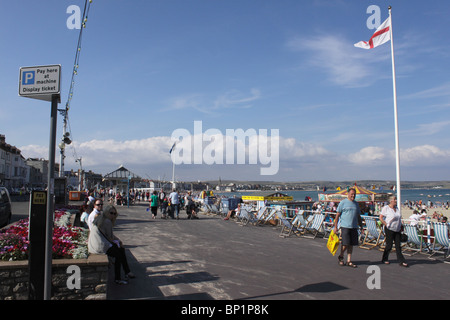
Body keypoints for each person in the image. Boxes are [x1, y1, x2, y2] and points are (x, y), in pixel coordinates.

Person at [88, 204, 135, 284]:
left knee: (121, 250)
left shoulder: (100, 218)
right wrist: (119, 241)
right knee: (119, 254)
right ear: (106, 212)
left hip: (93, 245)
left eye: (114, 213)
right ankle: (119, 278)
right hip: (100, 246)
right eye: (111, 213)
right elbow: (110, 238)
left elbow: (108, 236)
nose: (113, 215)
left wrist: (118, 241)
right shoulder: (107, 221)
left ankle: (127, 272)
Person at [333, 188, 363, 268]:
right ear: (348, 194)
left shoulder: (356, 204)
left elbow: (358, 216)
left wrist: (361, 226)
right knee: (345, 243)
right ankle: (341, 256)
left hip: (354, 226)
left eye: (354, 194)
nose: (353, 196)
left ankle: (349, 260)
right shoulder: (343, 203)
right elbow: (337, 216)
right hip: (345, 226)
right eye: (352, 194)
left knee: (351, 244)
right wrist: (335, 227)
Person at [380, 196, 408, 267]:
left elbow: (399, 218)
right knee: (389, 245)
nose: (396, 200)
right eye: (394, 199)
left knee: (398, 246)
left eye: (396, 199)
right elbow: (381, 217)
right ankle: (384, 258)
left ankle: (402, 261)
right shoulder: (386, 208)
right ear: (391, 201)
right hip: (389, 229)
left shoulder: (397, 208)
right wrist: (386, 224)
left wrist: (401, 225)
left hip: (397, 229)